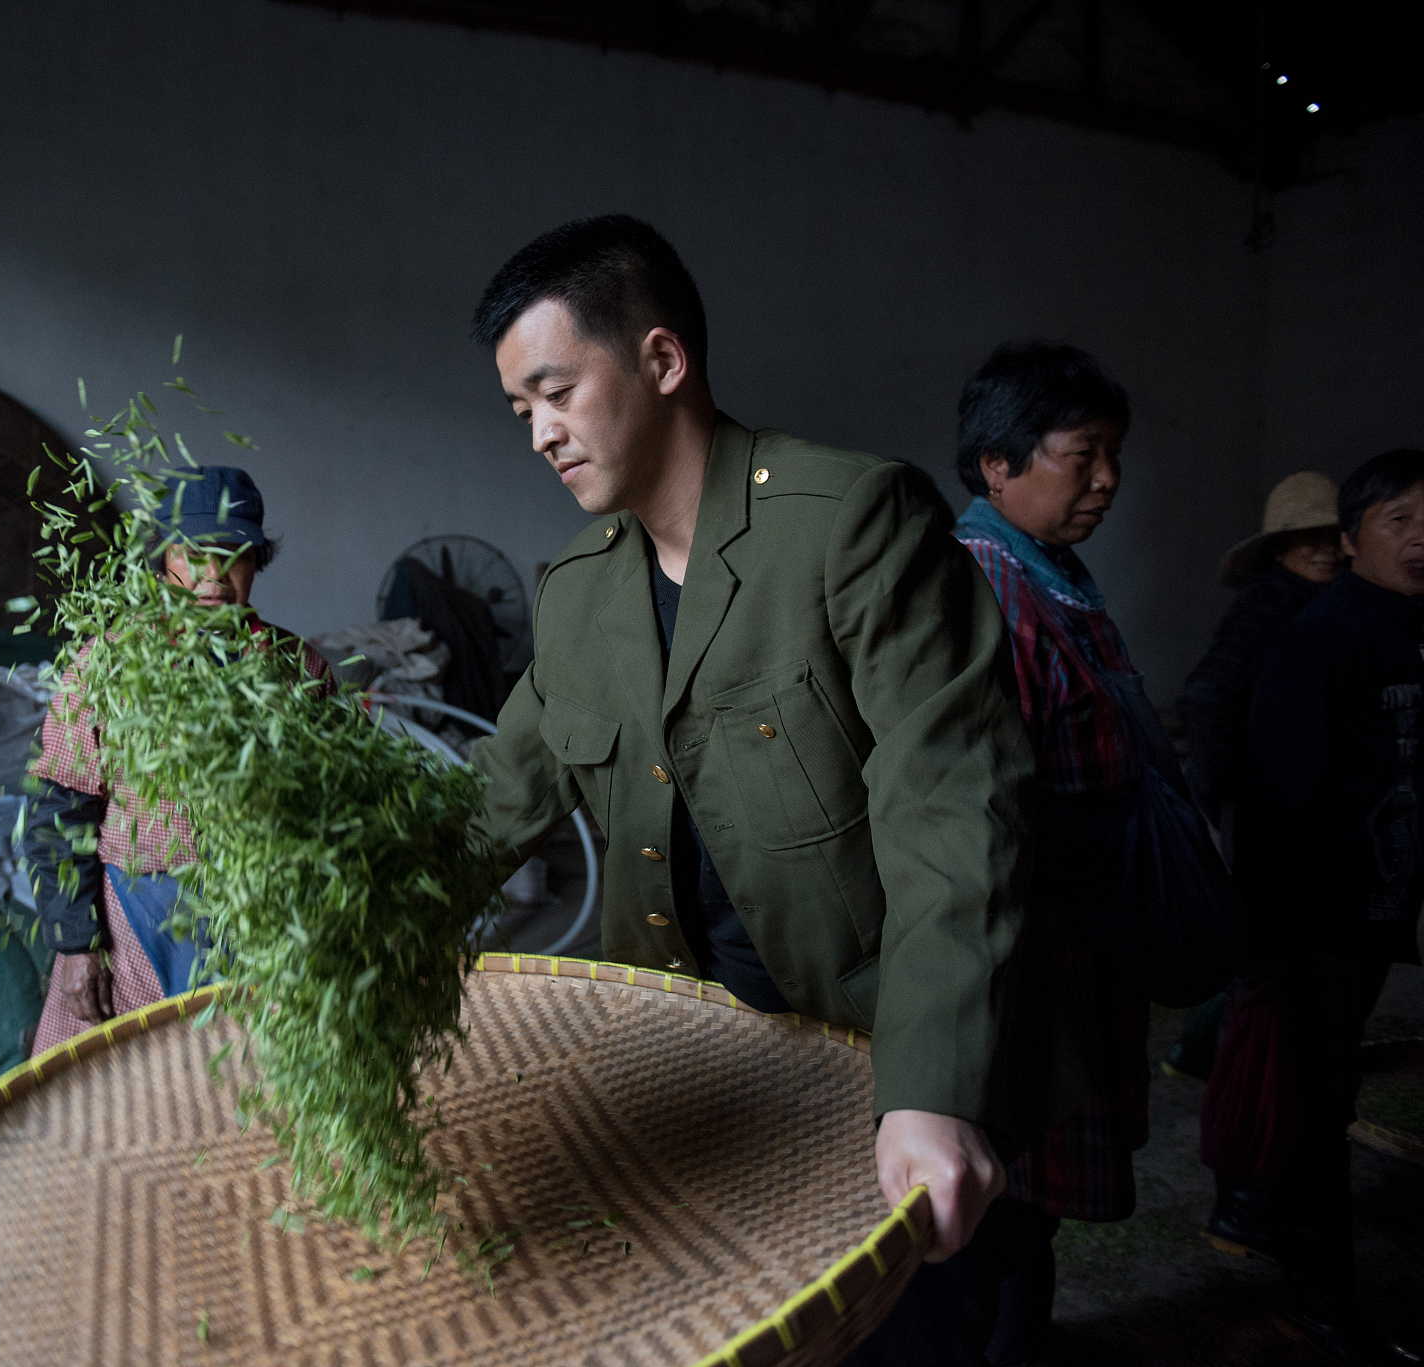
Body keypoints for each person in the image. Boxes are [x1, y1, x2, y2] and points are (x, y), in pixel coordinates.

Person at [464, 216, 1040, 1366]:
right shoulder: (579, 591)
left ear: (663, 361)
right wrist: (343, 911)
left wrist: (927, 1091)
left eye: (554, 391)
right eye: (518, 409)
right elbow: (493, 799)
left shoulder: (850, 524)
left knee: (918, 1339)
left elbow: (953, 808)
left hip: (879, 1065)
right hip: (708, 1079)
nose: (536, 432)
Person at [949, 341, 1163, 1364]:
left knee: (1029, 1211)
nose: (1107, 480)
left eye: (1109, 454)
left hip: (1084, 942)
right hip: (1030, 956)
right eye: (1082, 455)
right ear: (997, 463)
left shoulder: (1052, 575)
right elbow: (966, 811)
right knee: (1002, 1204)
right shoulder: (979, 588)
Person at [1223, 449, 1424, 1367]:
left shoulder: (1410, 631)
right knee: (1314, 1116)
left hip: (1378, 913)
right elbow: (1275, 802)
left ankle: (1285, 1234)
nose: (1421, 538)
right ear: (1351, 542)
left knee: (1324, 1098)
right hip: (1315, 927)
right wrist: (1270, 939)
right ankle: (1319, 1297)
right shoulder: (1317, 640)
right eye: (1400, 519)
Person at [22, 466, 331, 1053]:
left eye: (233, 553)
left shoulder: (300, 672)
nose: (214, 575)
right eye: (194, 554)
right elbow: (61, 808)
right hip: (136, 920)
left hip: (261, 923)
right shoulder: (110, 662)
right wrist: (76, 943)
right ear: (163, 561)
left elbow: (336, 808)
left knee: (247, 1090)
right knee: (134, 1093)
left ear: (255, 562)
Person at [1165, 472, 1341, 1086]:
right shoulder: (1270, 609)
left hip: (1286, 817)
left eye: (1331, 535)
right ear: (1277, 550)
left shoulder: (1323, 606)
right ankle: (1214, 1066)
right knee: (1262, 956)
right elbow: (1207, 698)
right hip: (1263, 816)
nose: (1322, 549)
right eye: (1305, 539)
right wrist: (1229, 799)